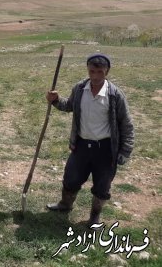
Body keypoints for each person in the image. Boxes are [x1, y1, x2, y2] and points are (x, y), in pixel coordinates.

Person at [46, 53, 134, 225]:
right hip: (81, 145)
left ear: (107, 71)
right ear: (88, 69)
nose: (95, 76)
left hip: (106, 149)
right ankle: (65, 204)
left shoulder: (115, 95)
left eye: (99, 72)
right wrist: (56, 100)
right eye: (92, 71)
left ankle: (94, 217)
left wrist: (125, 150)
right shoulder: (80, 89)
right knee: (71, 178)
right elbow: (69, 105)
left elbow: (127, 124)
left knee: (102, 186)